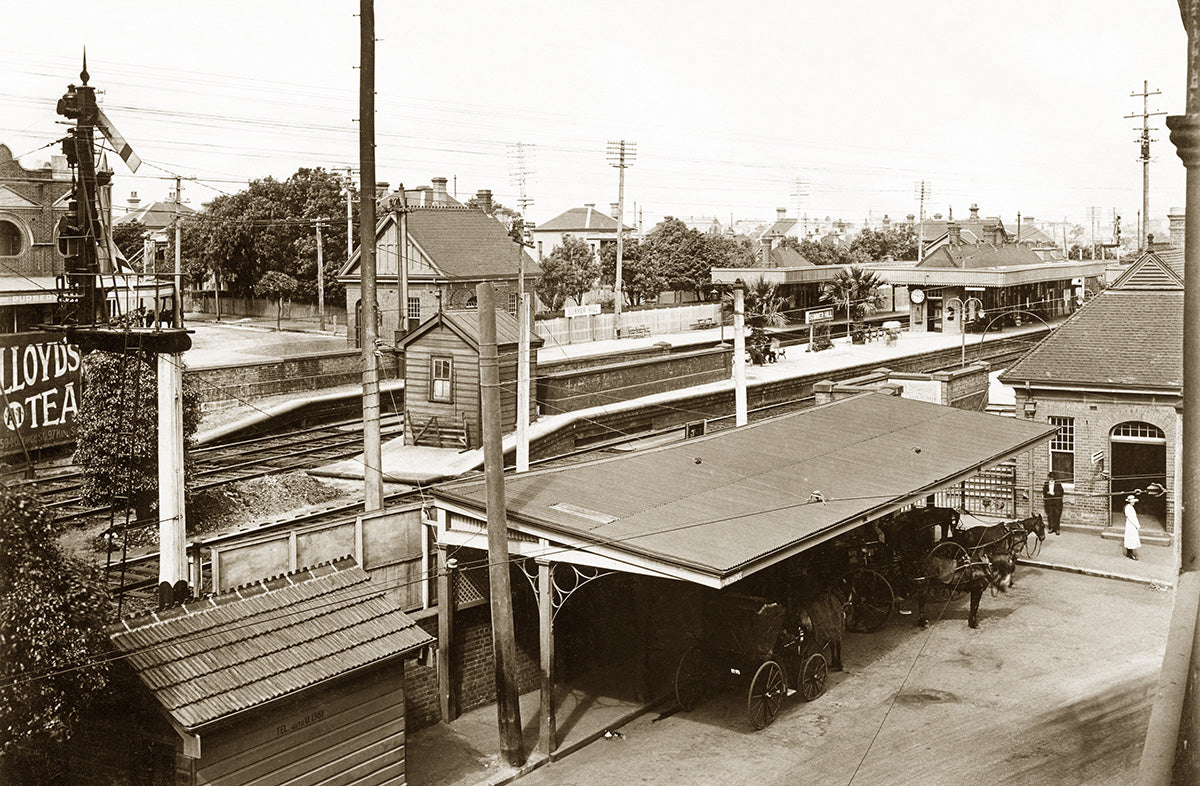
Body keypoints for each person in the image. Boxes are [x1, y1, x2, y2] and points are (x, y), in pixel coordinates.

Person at [1124, 494, 1141, 560]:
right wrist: (1137, 525)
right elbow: (1131, 518)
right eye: (1133, 501)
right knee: (1130, 538)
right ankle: (1130, 553)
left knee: (1131, 538)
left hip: (1131, 525)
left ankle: (1129, 552)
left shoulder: (1130, 507)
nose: (1134, 502)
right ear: (1130, 501)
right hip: (1131, 525)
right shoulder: (1128, 507)